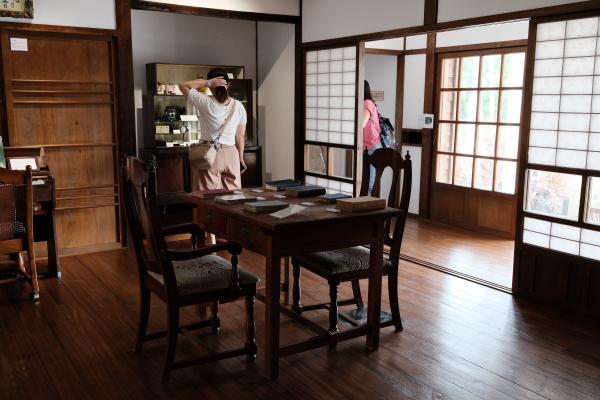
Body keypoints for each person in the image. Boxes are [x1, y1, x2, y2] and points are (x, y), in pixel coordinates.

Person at [178, 68, 247, 191]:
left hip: (211, 153)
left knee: (209, 196)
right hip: (232, 154)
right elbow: (240, 136)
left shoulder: (205, 102)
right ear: (228, 85)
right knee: (234, 196)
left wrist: (206, 82)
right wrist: (240, 158)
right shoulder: (239, 106)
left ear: (211, 87)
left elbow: (182, 85)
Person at [362, 80, 383, 194]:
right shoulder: (365, 103)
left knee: (368, 182)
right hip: (367, 146)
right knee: (366, 180)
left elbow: (362, 123)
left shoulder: (367, 103)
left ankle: (365, 205)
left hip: (371, 146)